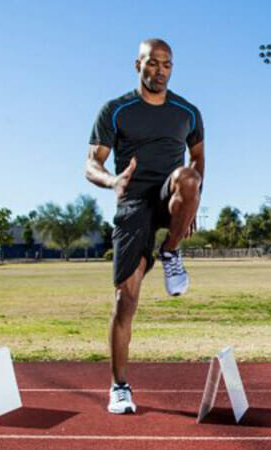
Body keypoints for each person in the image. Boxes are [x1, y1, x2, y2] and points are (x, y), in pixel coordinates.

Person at [85, 38, 204, 414]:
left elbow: (198, 158)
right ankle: (119, 386)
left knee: (187, 177)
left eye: (167, 64)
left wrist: (193, 202)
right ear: (137, 64)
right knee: (126, 299)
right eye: (152, 63)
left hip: (169, 195)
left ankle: (170, 252)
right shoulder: (116, 111)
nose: (160, 71)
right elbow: (91, 164)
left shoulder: (188, 111)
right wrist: (112, 181)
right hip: (133, 202)